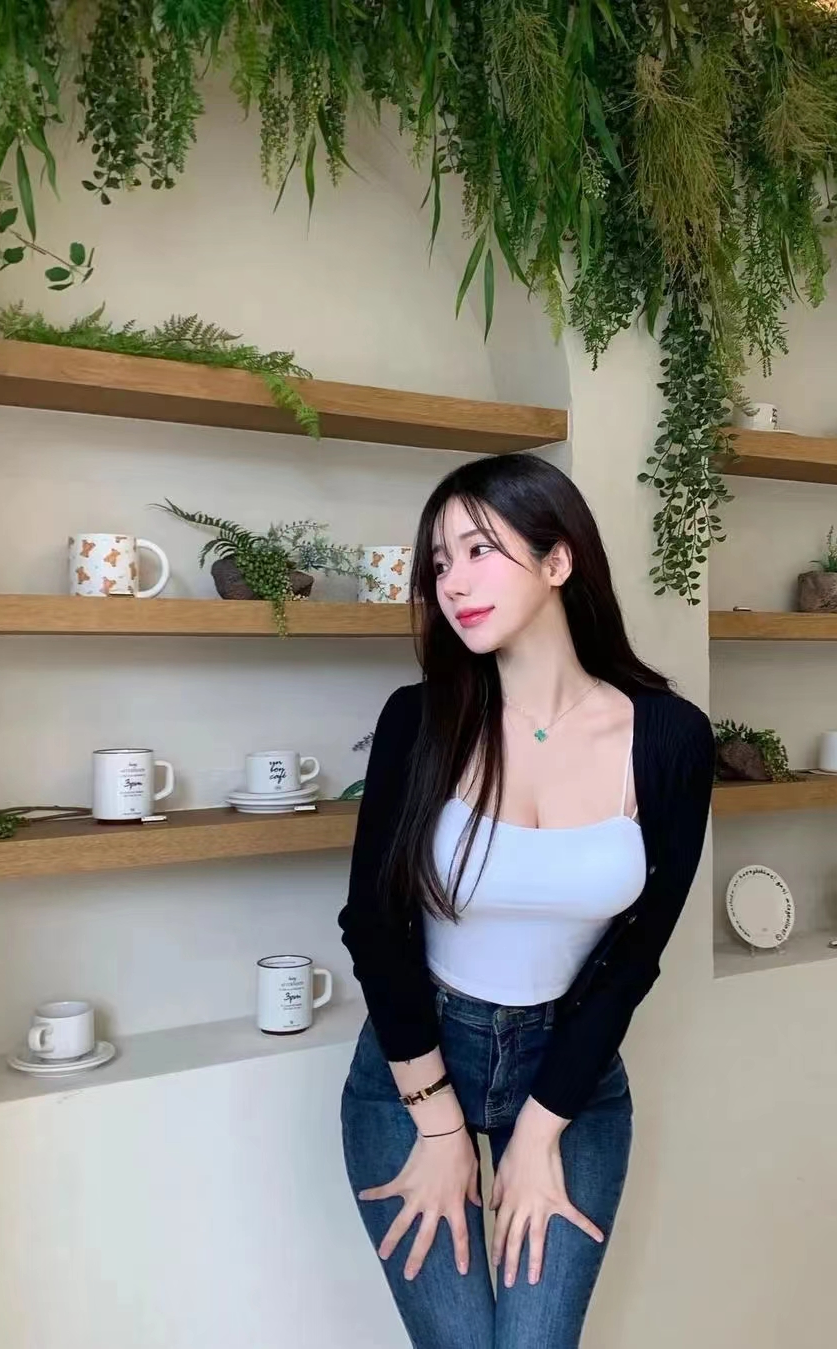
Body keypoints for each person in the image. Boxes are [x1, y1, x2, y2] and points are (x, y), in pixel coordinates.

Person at [337, 452, 715, 1349]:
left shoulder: (669, 737)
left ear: (558, 559)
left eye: (479, 550)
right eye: (439, 562)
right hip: (413, 1072)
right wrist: (439, 1127)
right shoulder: (418, 719)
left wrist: (541, 1131)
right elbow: (375, 925)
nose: (452, 583)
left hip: (570, 1078)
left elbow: (635, 955)